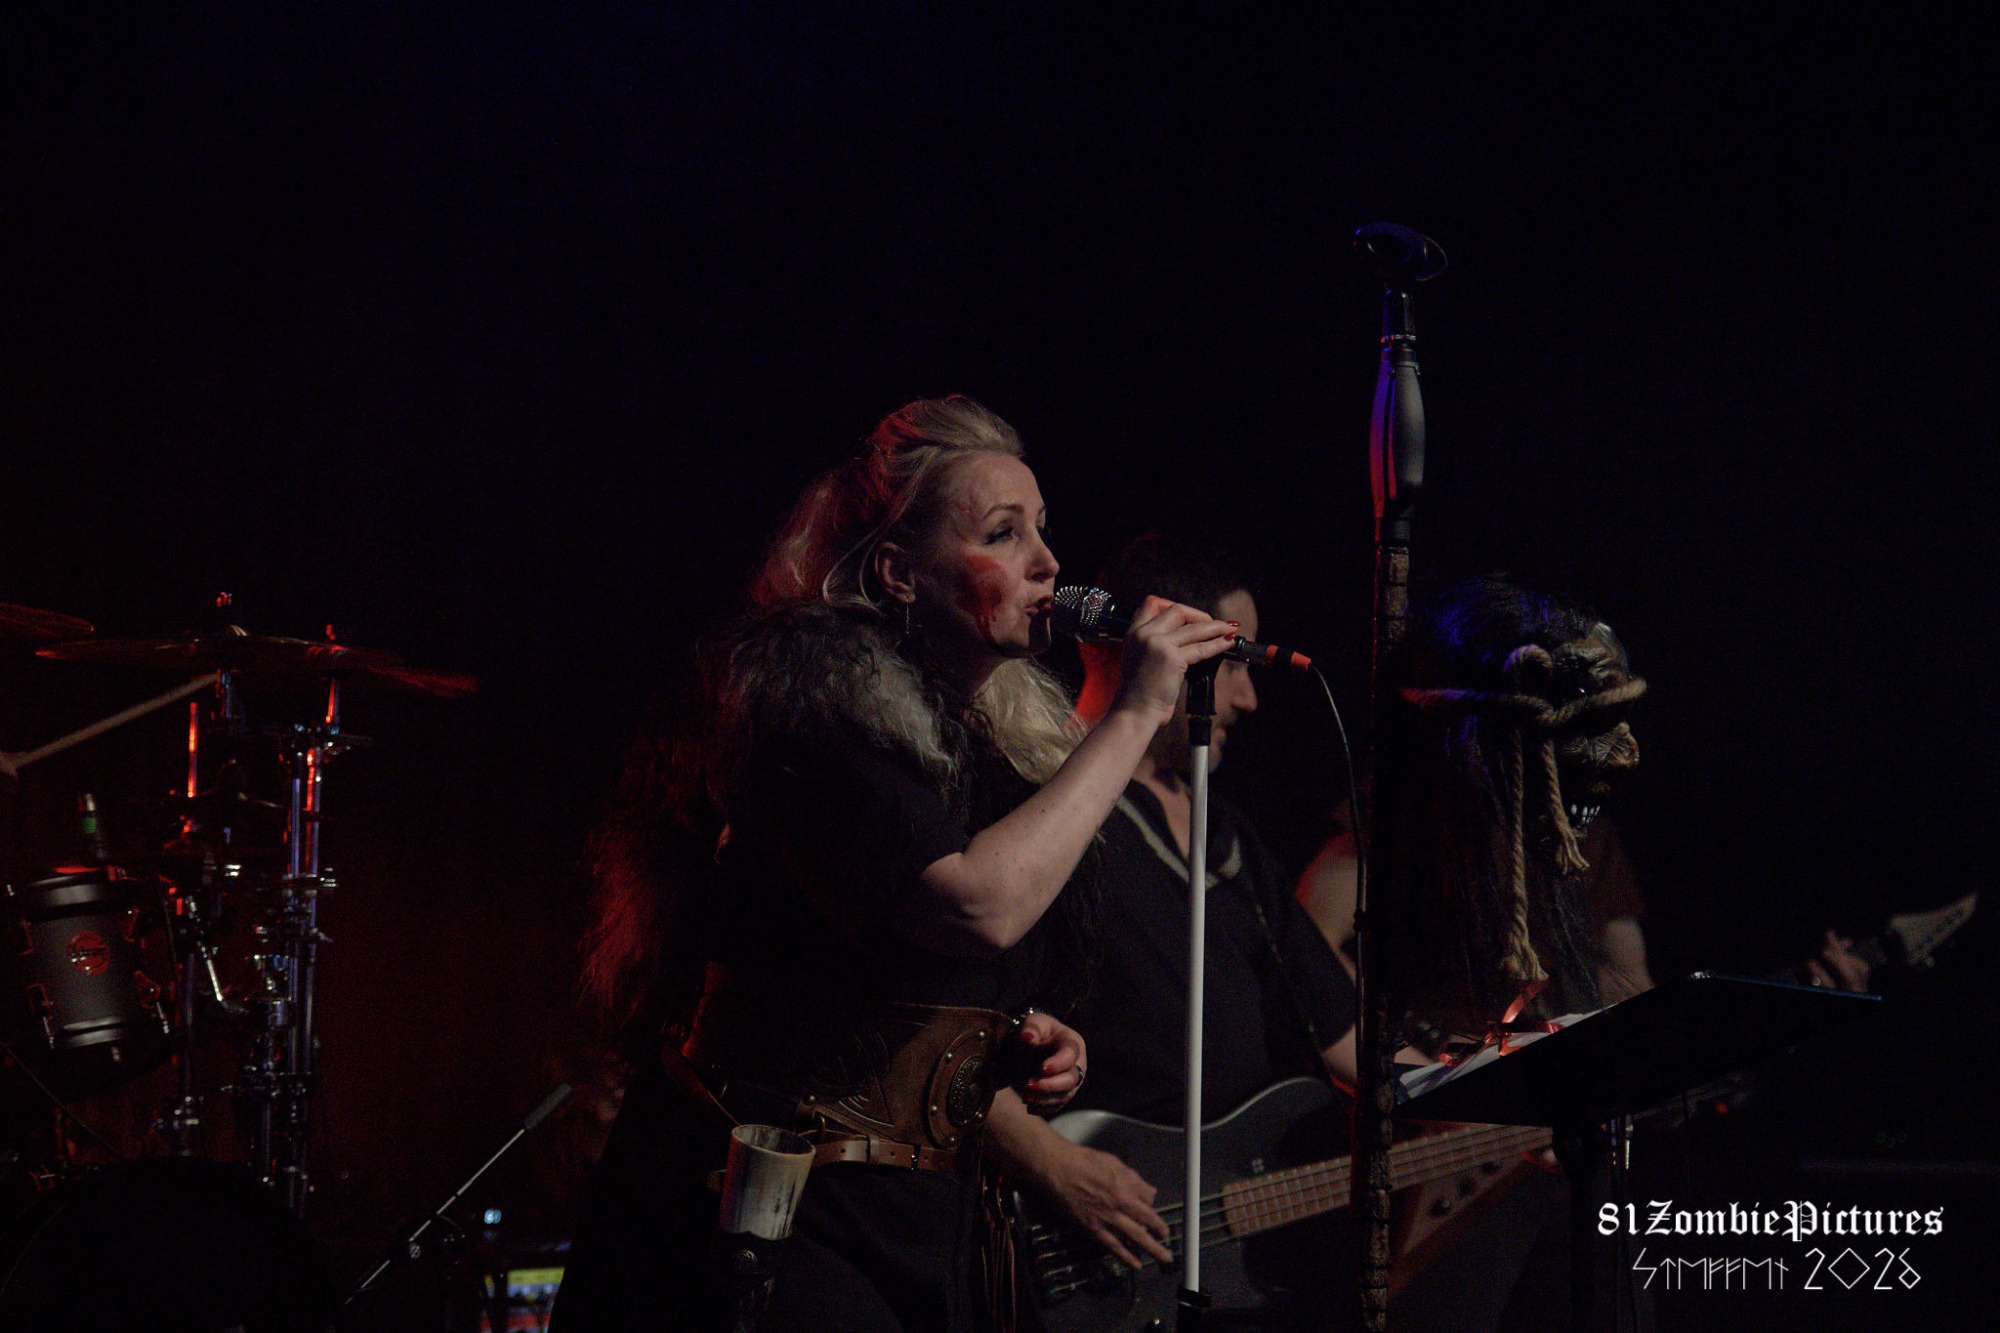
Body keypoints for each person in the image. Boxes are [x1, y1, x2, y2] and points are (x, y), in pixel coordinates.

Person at [551, 399, 1240, 1333]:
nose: (1048, 561)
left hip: (915, 1214)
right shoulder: (811, 708)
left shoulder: (998, 745)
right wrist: (1133, 712)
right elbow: (971, 908)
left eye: (1043, 529)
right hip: (767, 1205)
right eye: (1003, 533)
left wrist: (1009, 1036)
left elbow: (919, 967)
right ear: (899, 572)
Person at [982, 534, 1358, 1328]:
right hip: (1079, 1236)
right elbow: (941, 1027)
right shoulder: (1038, 811)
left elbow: (1343, 1033)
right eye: (1228, 661)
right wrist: (1051, 1162)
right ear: (1143, 644)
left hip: (1214, 1241)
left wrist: (1490, 1094)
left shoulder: (1229, 834)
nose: (1248, 699)